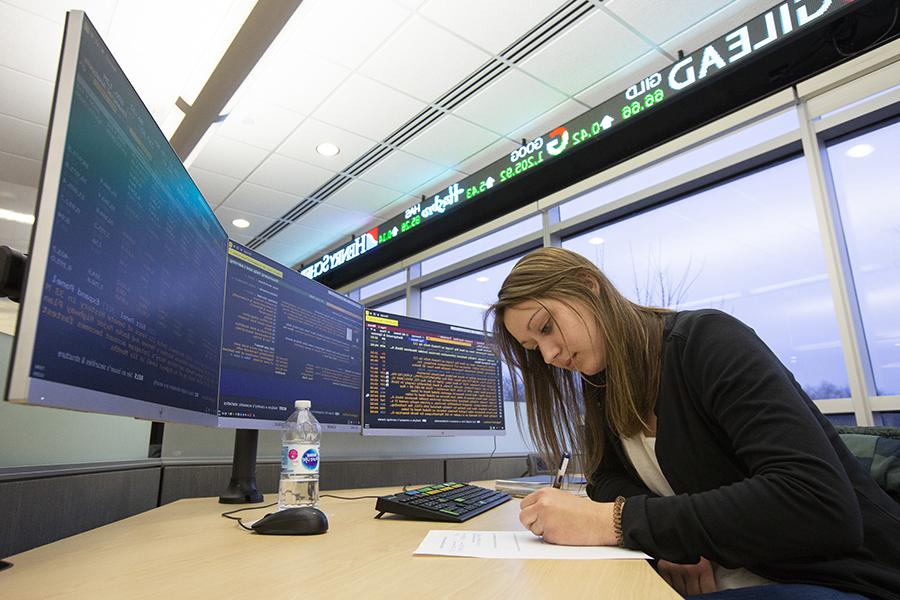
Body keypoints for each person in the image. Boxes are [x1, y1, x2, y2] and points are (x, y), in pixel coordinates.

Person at [486, 247, 900, 600]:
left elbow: (816, 503)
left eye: (546, 328)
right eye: (532, 347)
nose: (549, 355)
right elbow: (604, 480)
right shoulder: (602, 383)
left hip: (839, 578)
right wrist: (665, 537)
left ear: (588, 285)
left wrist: (618, 523)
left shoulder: (707, 341)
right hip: (738, 573)